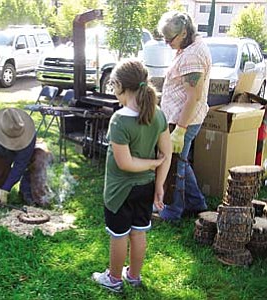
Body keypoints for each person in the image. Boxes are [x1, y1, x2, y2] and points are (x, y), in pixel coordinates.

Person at [92, 59, 172, 293]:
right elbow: (166, 154)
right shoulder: (158, 114)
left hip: (119, 192)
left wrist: (151, 165)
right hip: (145, 188)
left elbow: (125, 163)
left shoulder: (119, 120)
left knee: (119, 235)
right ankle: (134, 276)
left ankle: (114, 279)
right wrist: (159, 184)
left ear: (117, 86)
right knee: (139, 232)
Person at [155, 11, 211, 221]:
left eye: (170, 39)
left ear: (185, 32)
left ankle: (172, 210)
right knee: (182, 161)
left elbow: (193, 97)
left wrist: (180, 129)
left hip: (184, 121)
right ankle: (197, 204)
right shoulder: (187, 46)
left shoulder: (193, 55)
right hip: (180, 119)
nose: (167, 43)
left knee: (175, 164)